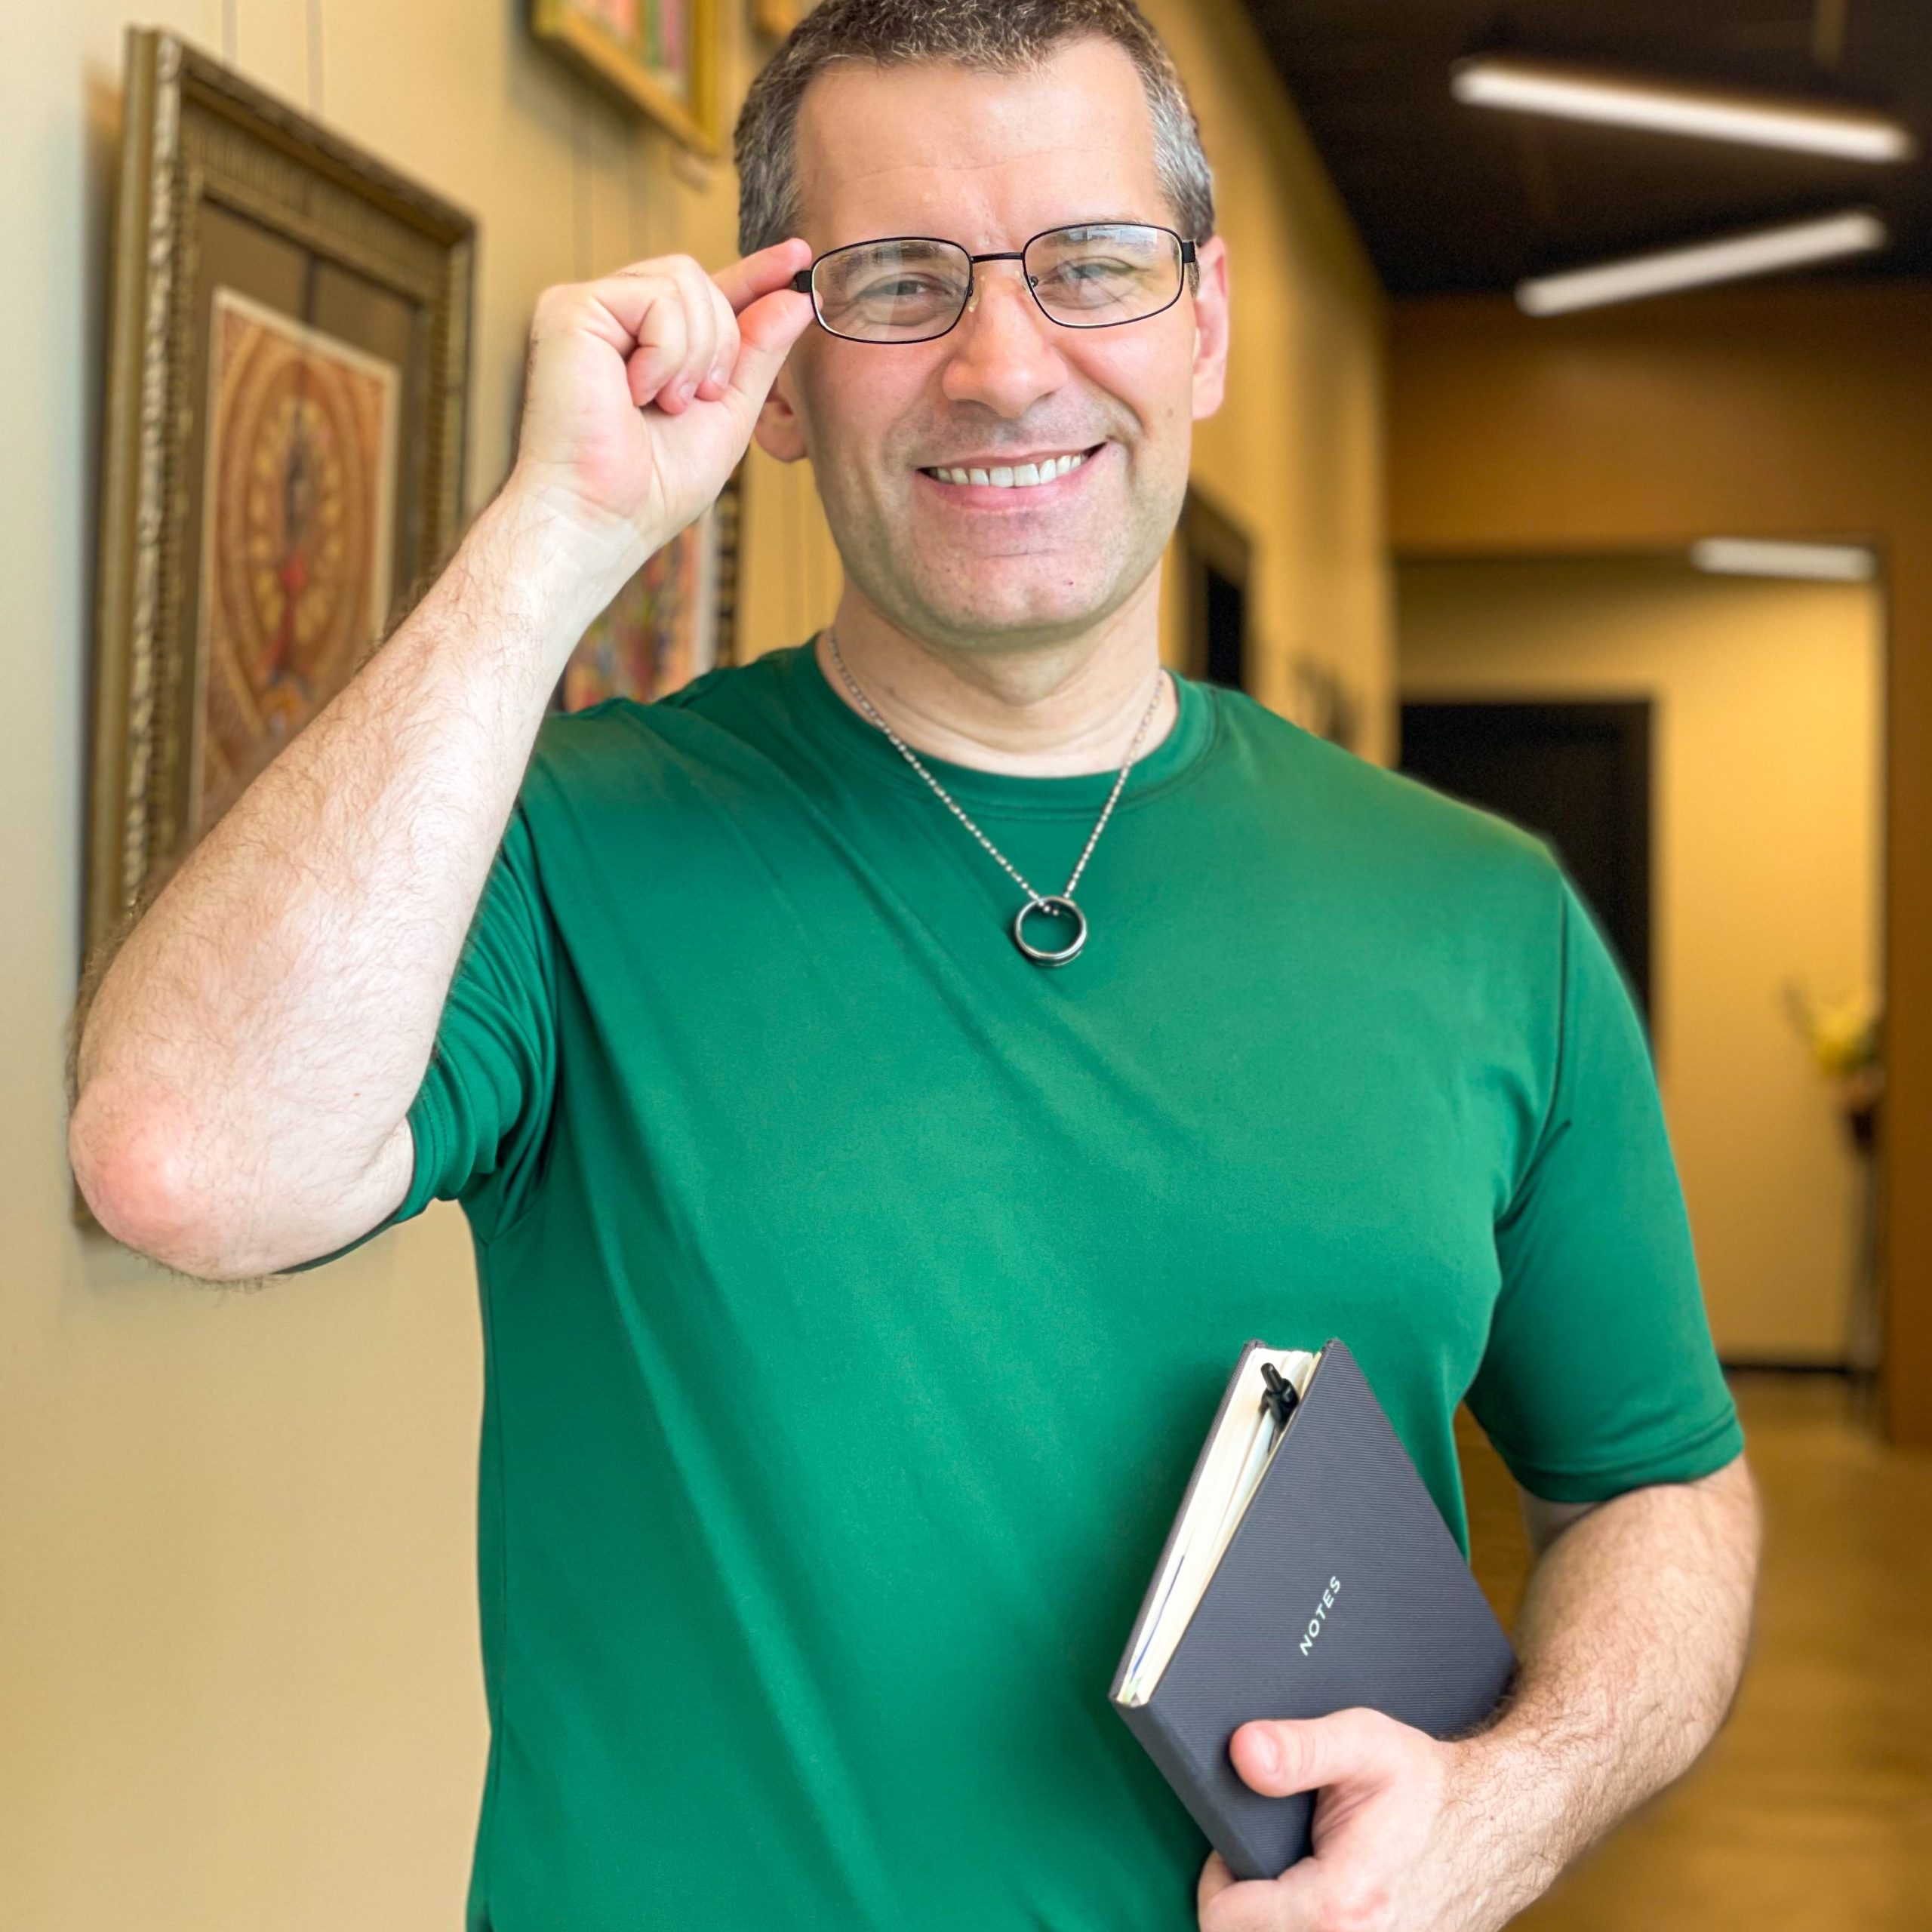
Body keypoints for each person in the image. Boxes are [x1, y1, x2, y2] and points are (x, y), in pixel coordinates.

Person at [67, 3, 1761, 1928]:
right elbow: (185, 1158)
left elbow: (1654, 1484)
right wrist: (556, 536)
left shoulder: (1481, 914)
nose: (1002, 361)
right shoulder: (562, 851)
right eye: (896, 283)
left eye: (1092, 266)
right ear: (777, 370)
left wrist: (1515, 1801)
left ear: (1200, 320)